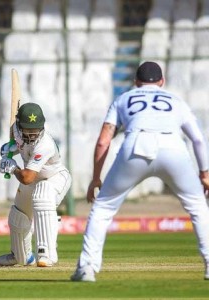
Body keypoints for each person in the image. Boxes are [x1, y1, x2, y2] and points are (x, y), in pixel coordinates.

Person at [70, 61, 209, 282]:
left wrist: (96, 178)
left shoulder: (124, 98)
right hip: (173, 146)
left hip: (135, 145)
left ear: (136, 83)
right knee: (198, 207)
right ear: (162, 82)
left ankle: (87, 268)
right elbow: (198, 140)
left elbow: (103, 142)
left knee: (103, 207)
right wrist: (204, 172)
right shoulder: (176, 101)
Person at [0, 102, 72, 267]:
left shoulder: (44, 144)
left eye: (35, 130)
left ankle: (46, 253)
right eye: (27, 130)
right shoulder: (16, 131)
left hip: (54, 177)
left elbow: (27, 178)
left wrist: (14, 167)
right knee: (17, 217)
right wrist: (8, 149)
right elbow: (19, 145)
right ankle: (20, 255)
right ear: (19, 126)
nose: (31, 134)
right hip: (33, 178)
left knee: (42, 195)